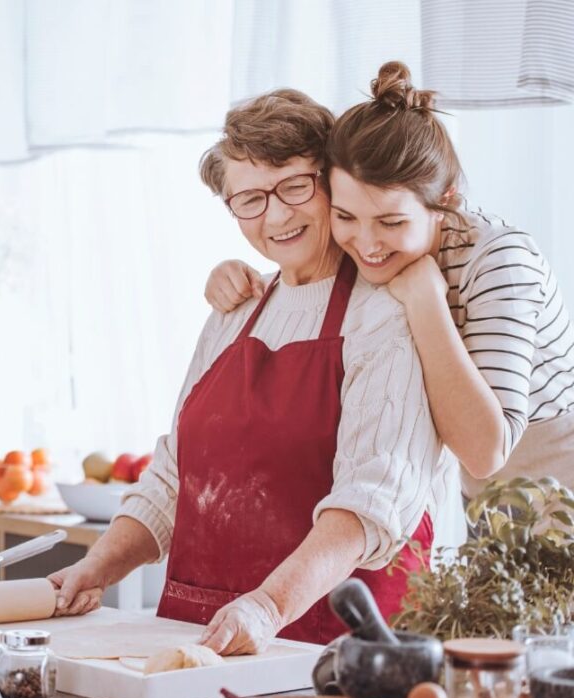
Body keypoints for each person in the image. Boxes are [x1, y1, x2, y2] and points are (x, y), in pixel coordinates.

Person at [48, 89, 443, 654]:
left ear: (333, 181)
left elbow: (370, 503)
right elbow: (174, 475)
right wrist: (97, 567)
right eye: (250, 199)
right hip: (199, 638)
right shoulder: (235, 309)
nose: (276, 215)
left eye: (295, 186)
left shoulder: (384, 313)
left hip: (329, 647)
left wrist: (267, 606)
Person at [205, 62, 574, 502]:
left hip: (555, 485)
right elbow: (306, 263)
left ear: (445, 202)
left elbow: (484, 451)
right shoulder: (376, 248)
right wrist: (228, 273)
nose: (366, 244)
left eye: (391, 221)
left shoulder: (499, 261)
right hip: (486, 505)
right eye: (345, 216)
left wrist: (425, 300)